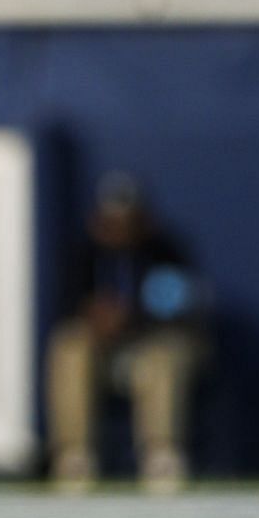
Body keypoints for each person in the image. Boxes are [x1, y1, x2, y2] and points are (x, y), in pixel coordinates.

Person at [46, 173, 206, 491]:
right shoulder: (85, 255)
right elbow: (66, 307)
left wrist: (132, 318)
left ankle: (161, 453)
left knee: (161, 358)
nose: (119, 228)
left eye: (127, 220)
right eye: (112, 220)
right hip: (103, 351)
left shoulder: (165, 252)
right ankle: (74, 455)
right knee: (70, 349)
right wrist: (97, 318)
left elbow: (179, 310)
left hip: (151, 343)